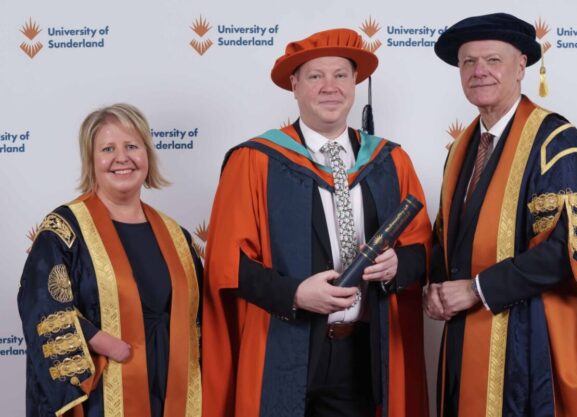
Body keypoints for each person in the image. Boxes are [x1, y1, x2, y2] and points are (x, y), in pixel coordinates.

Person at [202, 28, 431, 417]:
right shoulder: (255, 161)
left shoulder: (390, 162)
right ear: (294, 85)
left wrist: (397, 265)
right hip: (286, 341)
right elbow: (228, 265)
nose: (330, 87)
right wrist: (294, 295)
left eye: (341, 75)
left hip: (364, 352)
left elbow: (424, 250)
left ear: (355, 83)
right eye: (315, 76)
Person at [425, 13, 577, 417]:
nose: (479, 72)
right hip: (463, 340)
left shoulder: (556, 143)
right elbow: (448, 238)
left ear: (522, 65)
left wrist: (475, 290)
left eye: (493, 60)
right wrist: (435, 285)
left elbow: (567, 251)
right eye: (468, 62)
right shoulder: (461, 149)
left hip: (528, 346)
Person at [17, 103, 202, 417]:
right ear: (91, 160)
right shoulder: (64, 231)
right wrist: (99, 339)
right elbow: (40, 306)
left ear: (147, 155)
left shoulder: (178, 237)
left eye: (132, 146)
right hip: (101, 399)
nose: (122, 158)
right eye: (107, 148)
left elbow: (199, 323)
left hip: (170, 396)